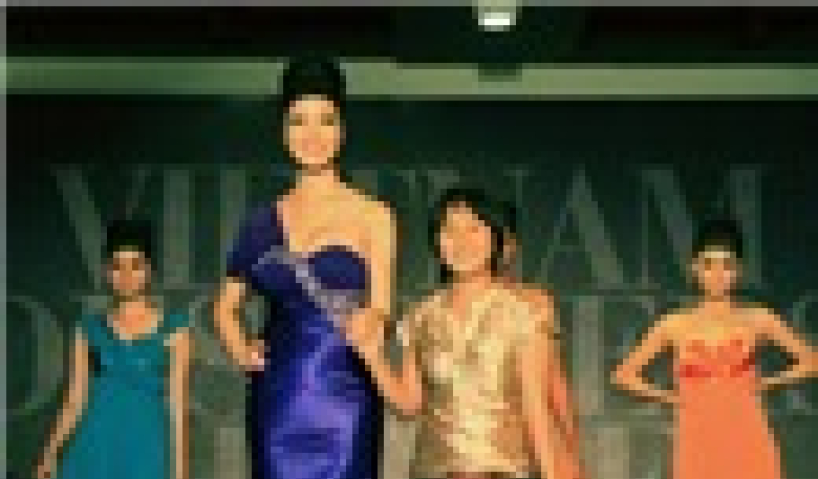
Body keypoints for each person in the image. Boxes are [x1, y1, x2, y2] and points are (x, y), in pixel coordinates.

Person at [213, 57, 397, 479]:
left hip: (347, 395)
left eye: (325, 121)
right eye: (299, 121)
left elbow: (382, 308)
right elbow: (224, 308)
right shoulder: (259, 223)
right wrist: (241, 349)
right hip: (277, 400)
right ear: (283, 131)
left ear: (342, 130)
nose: (312, 135)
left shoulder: (373, 215)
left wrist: (373, 320)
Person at [363, 187, 559, 479]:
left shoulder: (524, 311)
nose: (461, 241)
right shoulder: (421, 316)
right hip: (432, 471)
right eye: (449, 231)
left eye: (474, 229)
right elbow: (409, 404)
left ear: (496, 238)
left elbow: (536, 409)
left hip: (501, 470)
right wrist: (372, 355)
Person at [613, 218, 817, 479]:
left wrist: (767, 382)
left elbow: (812, 362)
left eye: (727, 265)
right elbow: (623, 375)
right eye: (708, 265)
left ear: (739, 270)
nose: (718, 275)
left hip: (749, 435)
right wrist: (672, 398)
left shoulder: (758, 318)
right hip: (697, 439)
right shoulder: (674, 324)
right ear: (695, 268)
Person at [35, 219, 192, 479]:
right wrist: (49, 454)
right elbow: (75, 400)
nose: (126, 276)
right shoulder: (88, 329)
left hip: (145, 450)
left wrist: (181, 473)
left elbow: (178, 406)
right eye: (117, 266)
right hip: (93, 448)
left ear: (149, 270)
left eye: (135, 266)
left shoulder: (175, 329)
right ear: (107, 272)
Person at [500, 200, 585, 479]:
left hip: (535, 431)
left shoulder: (535, 300)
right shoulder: (441, 309)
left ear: (513, 246)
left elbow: (553, 376)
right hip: (476, 439)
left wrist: (570, 444)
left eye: (504, 239)